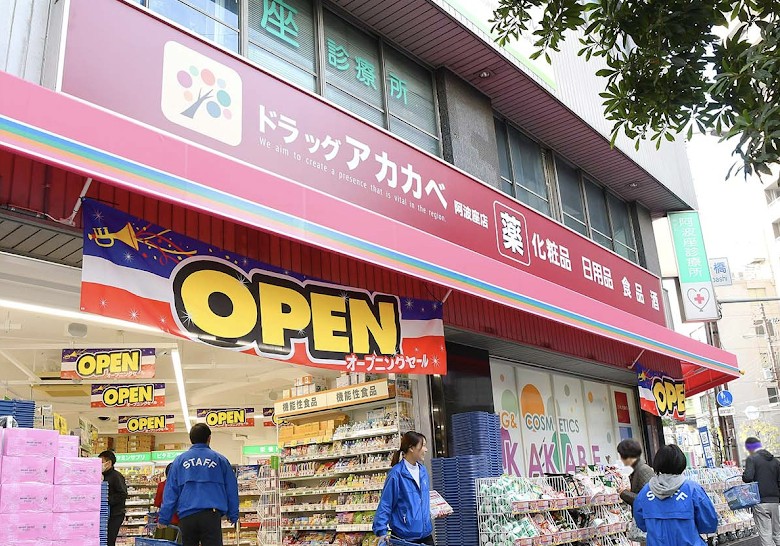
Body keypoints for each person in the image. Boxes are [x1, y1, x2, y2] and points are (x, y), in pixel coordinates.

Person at [158, 424, 239, 546]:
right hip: (211, 515)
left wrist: (164, 518)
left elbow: (171, 491)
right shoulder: (220, 460)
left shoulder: (179, 461)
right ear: (209, 438)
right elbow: (231, 488)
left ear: (191, 439)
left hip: (187, 516)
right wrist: (233, 514)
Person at [633, 444, 718, 546]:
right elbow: (709, 524)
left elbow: (642, 524)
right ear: (681, 462)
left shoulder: (645, 492)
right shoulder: (692, 489)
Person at [373, 431, 434, 545]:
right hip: (404, 539)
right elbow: (386, 504)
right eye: (423, 446)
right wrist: (381, 531)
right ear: (411, 448)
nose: (426, 450)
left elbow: (422, 500)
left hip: (425, 535)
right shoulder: (396, 474)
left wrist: (436, 510)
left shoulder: (423, 471)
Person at [742, 436, 780, 546]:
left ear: (750, 448)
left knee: (766, 534)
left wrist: (744, 475)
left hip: (760, 501)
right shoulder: (775, 461)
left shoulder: (752, 459)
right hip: (775, 502)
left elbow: (748, 477)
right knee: (778, 533)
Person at [100, 450, 128, 546]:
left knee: (109, 540)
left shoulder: (116, 476)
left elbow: (123, 494)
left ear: (109, 463)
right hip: (104, 514)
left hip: (115, 514)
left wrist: (107, 500)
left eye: (102, 462)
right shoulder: (101, 475)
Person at [617, 439, 654, 506]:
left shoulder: (643, 470)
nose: (621, 459)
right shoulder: (637, 470)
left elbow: (648, 498)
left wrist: (624, 493)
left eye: (621, 455)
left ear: (626, 455)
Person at [154, 463, 179, 541]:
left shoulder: (162, 485)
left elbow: (157, 503)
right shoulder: (182, 485)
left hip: (163, 521)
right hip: (179, 520)